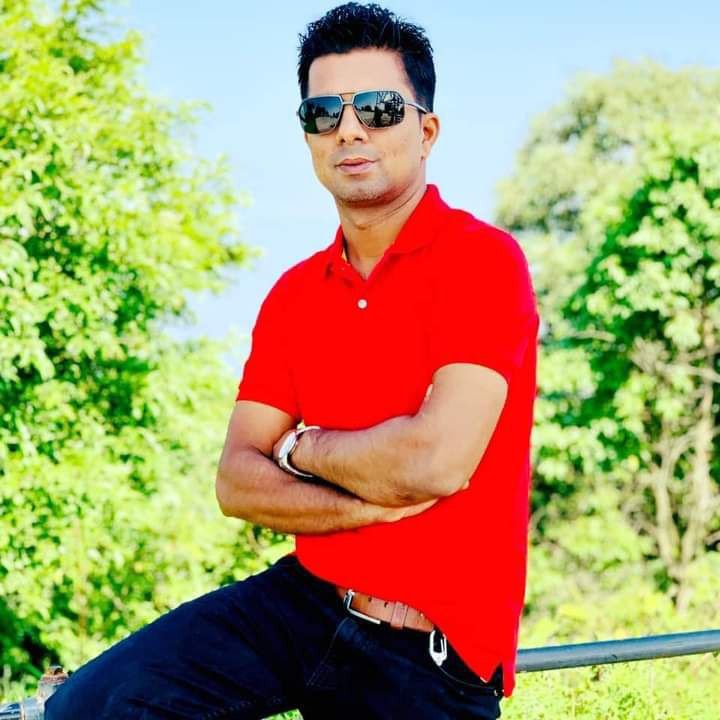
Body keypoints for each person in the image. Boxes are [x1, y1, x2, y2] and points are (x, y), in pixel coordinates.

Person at [46, 3, 539, 718]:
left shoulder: (482, 263)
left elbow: (435, 463)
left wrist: (298, 448)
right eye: (323, 113)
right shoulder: (295, 295)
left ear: (426, 130)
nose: (349, 130)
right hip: (303, 603)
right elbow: (237, 482)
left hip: (427, 657)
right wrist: (362, 497)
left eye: (377, 109)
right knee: (86, 707)